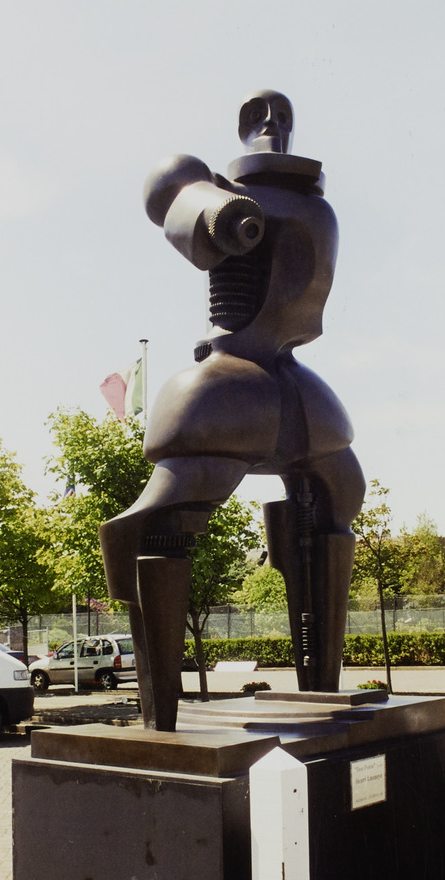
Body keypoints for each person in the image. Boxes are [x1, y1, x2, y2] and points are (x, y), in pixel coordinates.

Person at [100, 90, 365, 730]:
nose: (273, 128)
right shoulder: (225, 193)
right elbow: (172, 193)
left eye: (281, 120)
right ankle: (160, 714)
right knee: (165, 524)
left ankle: (320, 686)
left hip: (290, 378)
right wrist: (217, 211)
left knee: (339, 495)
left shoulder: (311, 204)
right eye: (262, 120)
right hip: (231, 374)